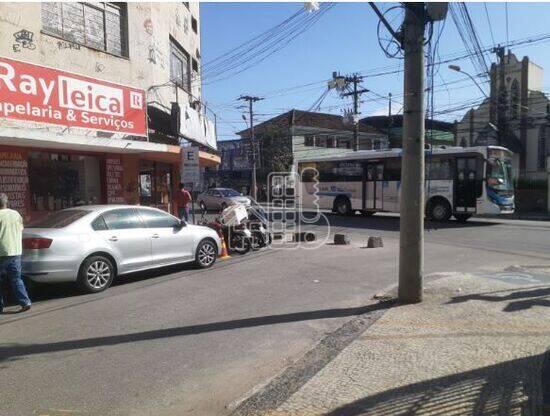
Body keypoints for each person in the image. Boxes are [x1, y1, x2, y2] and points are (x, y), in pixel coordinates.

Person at [0, 193, 31, 313]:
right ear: (6, 202)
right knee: (16, 279)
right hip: (15, 251)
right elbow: (20, 228)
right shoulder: (16, 214)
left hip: (1, 252)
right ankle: (25, 301)